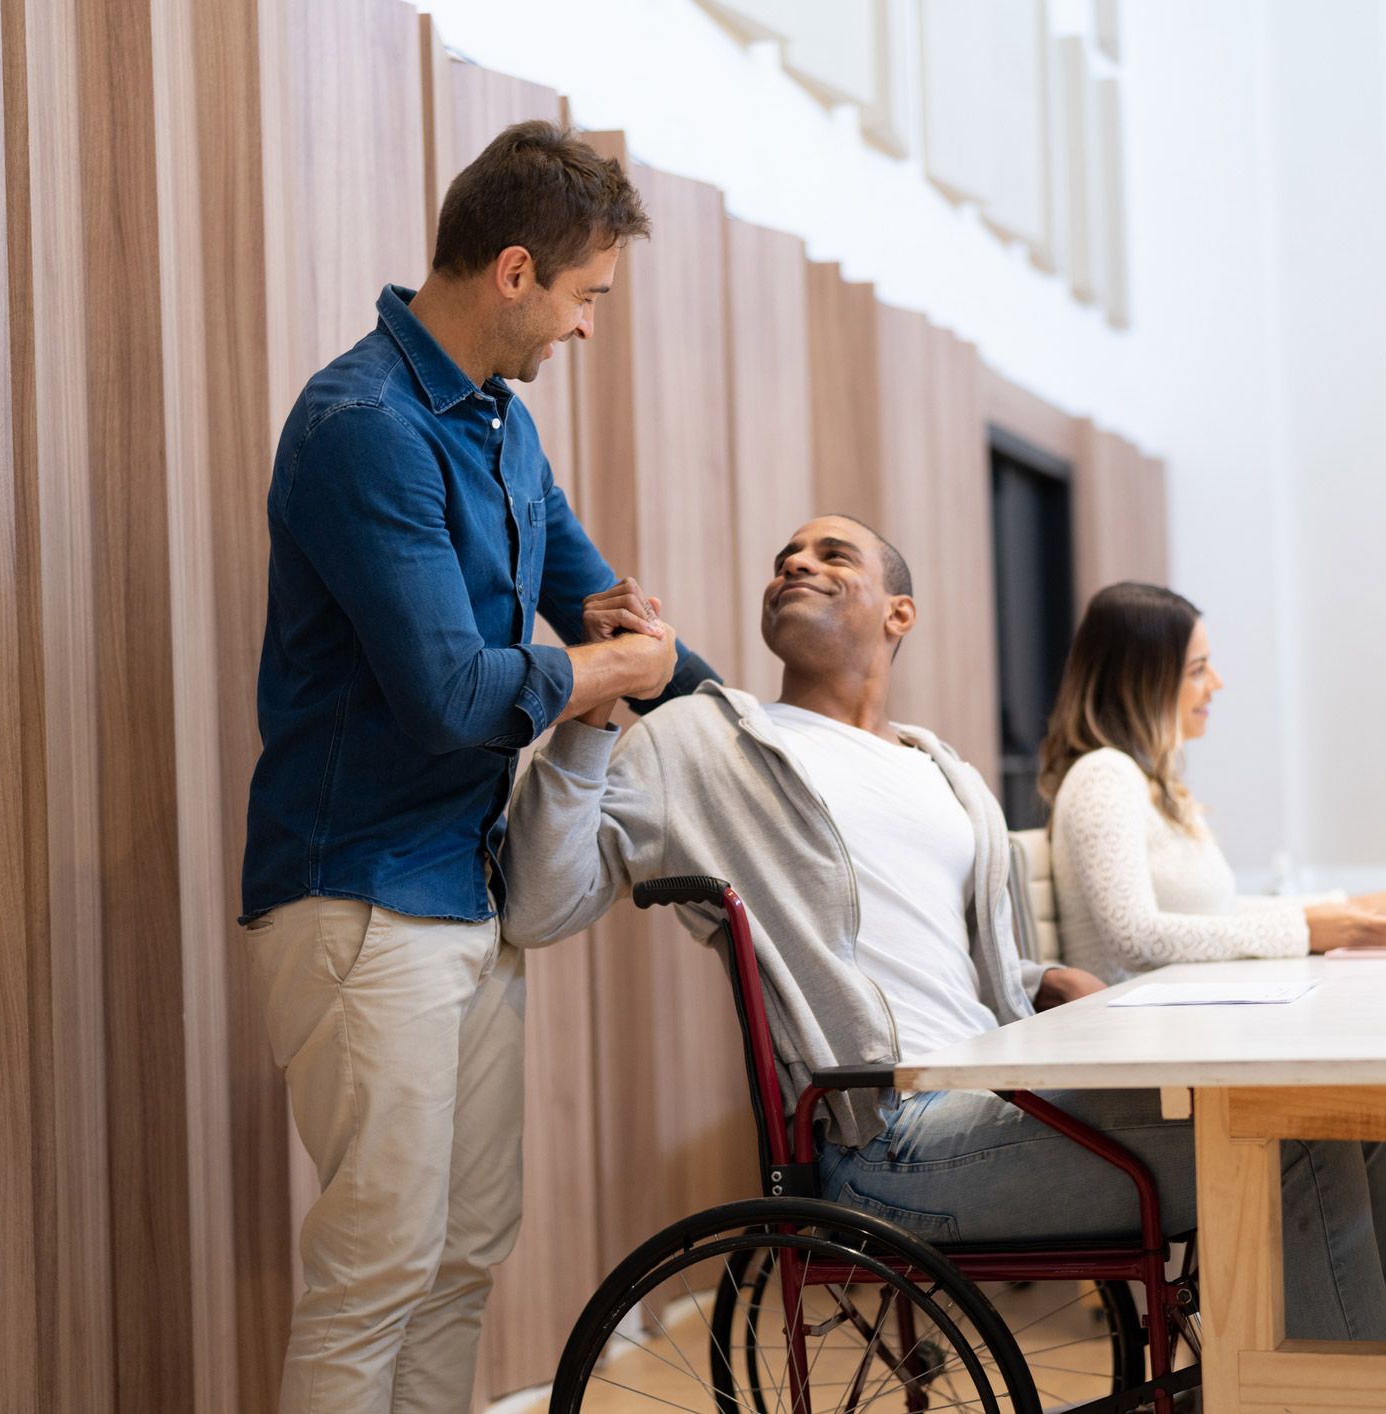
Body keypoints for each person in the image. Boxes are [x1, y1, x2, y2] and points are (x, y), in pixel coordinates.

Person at [503, 515, 1386, 1343]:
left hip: (1010, 1092)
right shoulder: (702, 743)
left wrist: (1039, 980)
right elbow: (541, 905)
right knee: (1300, 1140)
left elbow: (936, 948)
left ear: (900, 614)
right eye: (786, 558)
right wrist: (592, 711)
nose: (796, 564)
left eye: (833, 555)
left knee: (1358, 1120)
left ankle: (1294, 1378)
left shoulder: (941, 768)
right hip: (890, 1139)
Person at [240, 121, 715, 1414]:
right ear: (515, 271)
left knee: (458, 1260)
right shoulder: (363, 425)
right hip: (359, 898)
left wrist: (733, 711)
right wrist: (608, 672)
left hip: (468, 893)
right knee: (375, 1269)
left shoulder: (501, 429)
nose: (587, 328)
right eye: (585, 297)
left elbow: (598, 608)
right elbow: (452, 693)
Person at [1040, 582, 1386, 985]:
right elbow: (1134, 939)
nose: (1217, 683)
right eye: (1198, 670)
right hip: (1132, 1033)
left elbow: (1214, 917)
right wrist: (1307, 929)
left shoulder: (1142, 781)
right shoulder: (1102, 777)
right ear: (1142, 682)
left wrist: (1346, 910)